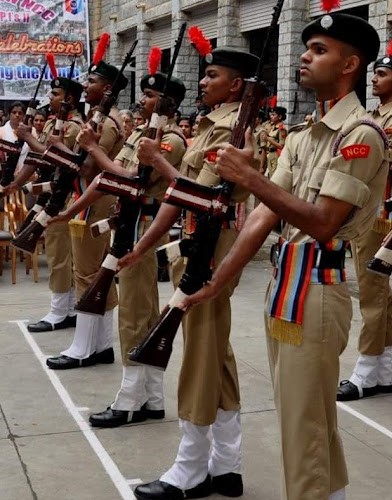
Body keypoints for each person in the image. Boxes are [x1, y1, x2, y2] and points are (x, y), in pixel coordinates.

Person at [180, 12, 386, 500]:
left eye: (319, 49)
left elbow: (322, 222)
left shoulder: (360, 135)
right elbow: (261, 219)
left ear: (350, 64)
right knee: (308, 420)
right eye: (307, 47)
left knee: (303, 427)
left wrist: (251, 178)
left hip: (315, 291)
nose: (306, 57)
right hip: (286, 288)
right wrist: (215, 282)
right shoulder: (302, 133)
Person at [118, 45, 257, 500]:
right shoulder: (210, 126)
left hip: (213, 252)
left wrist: (158, 161)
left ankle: (191, 467)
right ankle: (228, 465)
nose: (202, 81)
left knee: (199, 357)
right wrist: (142, 247)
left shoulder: (232, 131)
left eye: (212, 75)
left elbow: (203, 196)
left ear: (236, 85)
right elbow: (180, 199)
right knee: (217, 355)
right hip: (196, 244)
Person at [55, 69, 188, 428]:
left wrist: (94, 148)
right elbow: (116, 175)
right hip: (127, 224)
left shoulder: (169, 140)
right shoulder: (142, 135)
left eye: (149, 95)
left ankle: (132, 399)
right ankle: (151, 397)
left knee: (135, 313)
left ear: (168, 103)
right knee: (137, 311)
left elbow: (130, 180)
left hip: (144, 228)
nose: (142, 100)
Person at [337, 33, 392, 402]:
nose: (374, 79)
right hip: (373, 211)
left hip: (378, 214)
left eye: (381, 74)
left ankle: (365, 370)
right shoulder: (376, 117)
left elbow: (375, 164)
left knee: (371, 292)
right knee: (378, 293)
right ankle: (381, 369)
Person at [44, 55, 127, 370]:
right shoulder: (97, 117)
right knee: (90, 271)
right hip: (89, 197)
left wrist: (58, 147)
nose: (85, 85)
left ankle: (84, 348)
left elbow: (91, 166)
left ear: (107, 88)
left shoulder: (106, 122)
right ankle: (99, 345)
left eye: (91, 81)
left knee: (87, 273)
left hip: (96, 200)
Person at [10, 75, 84, 334]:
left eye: (56, 94)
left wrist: (28, 137)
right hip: (50, 193)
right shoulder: (54, 121)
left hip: (65, 196)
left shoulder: (74, 126)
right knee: (60, 252)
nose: (50, 98)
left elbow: (55, 158)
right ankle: (69, 307)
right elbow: (37, 157)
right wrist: (15, 184)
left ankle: (59, 311)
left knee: (60, 253)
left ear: (70, 99)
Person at [260, 105, 286, 179]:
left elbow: (281, 146)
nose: (271, 116)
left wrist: (268, 139)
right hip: (269, 154)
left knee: (274, 177)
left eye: (274, 115)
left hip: (276, 155)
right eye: (271, 114)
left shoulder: (281, 129)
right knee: (269, 176)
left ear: (280, 117)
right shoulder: (272, 127)